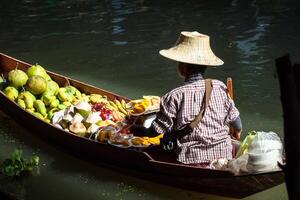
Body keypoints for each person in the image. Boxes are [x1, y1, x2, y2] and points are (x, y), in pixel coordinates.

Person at [131, 31, 242, 165]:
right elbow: (237, 123)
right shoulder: (219, 86)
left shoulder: (174, 96)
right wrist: (237, 131)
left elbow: (155, 131)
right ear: (205, 66)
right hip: (224, 153)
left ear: (182, 66)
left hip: (190, 158)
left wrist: (134, 129)